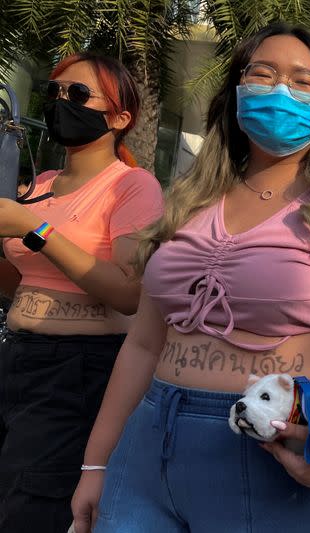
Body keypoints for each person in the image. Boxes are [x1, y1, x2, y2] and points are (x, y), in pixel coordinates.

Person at [70, 23, 310, 533]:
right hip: (146, 447)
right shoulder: (186, 204)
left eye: (303, 82)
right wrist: (96, 464)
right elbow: (143, 346)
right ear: (235, 93)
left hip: (270, 455)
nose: (282, 90)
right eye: (264, 73)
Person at [0, 53, 163, 533]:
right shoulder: (43, 184)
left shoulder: (132, 187)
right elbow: (22, 282)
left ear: (120, 118)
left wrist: (35, 228)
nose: (59, 102)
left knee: (33, 504)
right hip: (17, 357)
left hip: (77, 370)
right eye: (54, 92)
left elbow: (130, 292)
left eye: (76, 94)